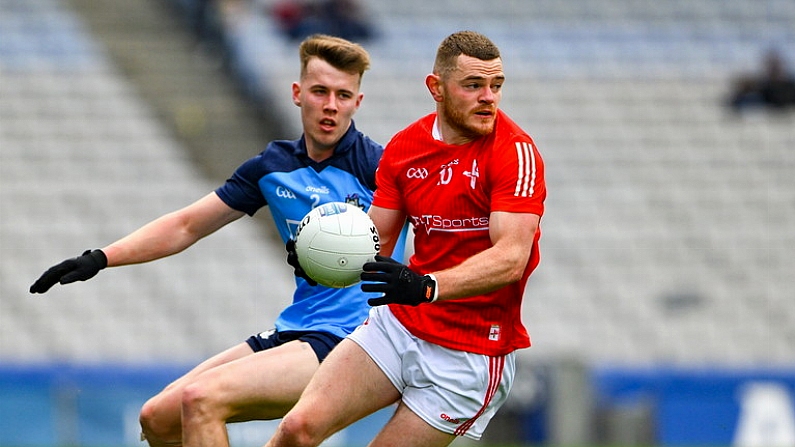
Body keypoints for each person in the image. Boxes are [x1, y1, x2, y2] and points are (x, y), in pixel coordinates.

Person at [29, 34, 383, 447]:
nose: (331, 105)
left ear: (358, 103)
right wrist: (102, 258)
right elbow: (186, 225)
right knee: (158, 417)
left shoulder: (381, 167)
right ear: (297, 93)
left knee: (200, 399)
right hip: (298, 328)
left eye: (343, 95)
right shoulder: (271, 168)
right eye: (320, 91)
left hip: (351, 337)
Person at [263, 30, 546, 447]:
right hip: (398, 327)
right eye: (473, 85)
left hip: (468, 356)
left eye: (496, 85)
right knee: (296, 430)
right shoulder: (405, 148)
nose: (489, 97)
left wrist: (428, 286)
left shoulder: (514, 153)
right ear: (436, 88)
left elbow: (510, 259)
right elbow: (372, 238)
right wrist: (320, 251)